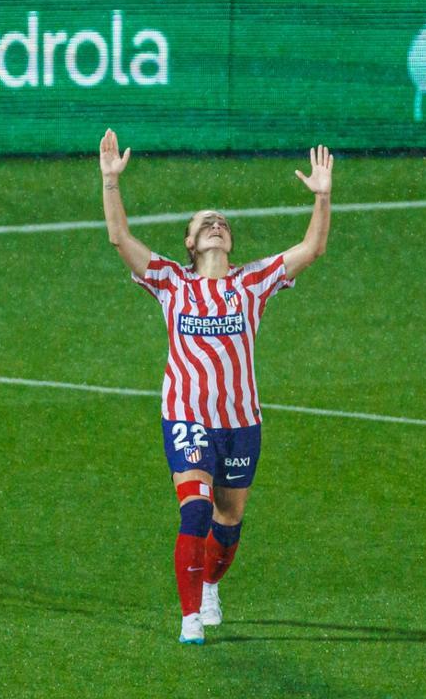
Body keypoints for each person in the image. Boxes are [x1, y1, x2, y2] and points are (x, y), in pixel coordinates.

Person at [99, 128, 334, 644]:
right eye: (205, 223)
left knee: (228, 521)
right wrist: (110, 182)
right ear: (188, 242)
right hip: (185, 416)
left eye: (222, 223)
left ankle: (209, 585)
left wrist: (322, 195)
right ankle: (189, 620)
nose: (216, 226)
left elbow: (313, 247)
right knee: (197, 508)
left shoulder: (253, 282)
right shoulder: (170, 281)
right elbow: (120, 239)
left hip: (241, 422)